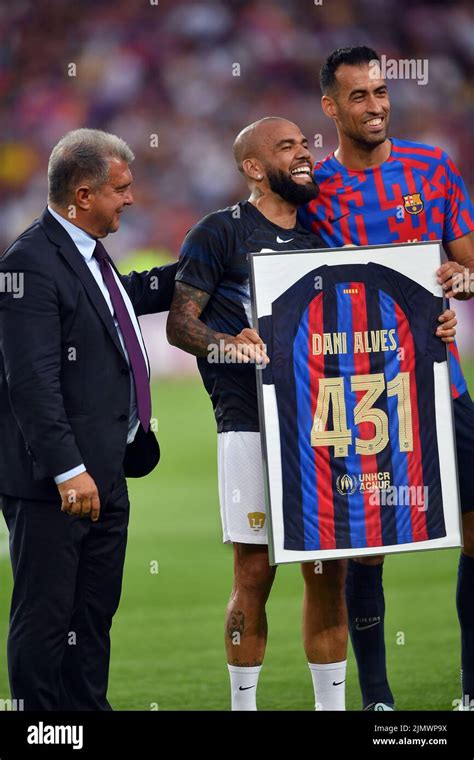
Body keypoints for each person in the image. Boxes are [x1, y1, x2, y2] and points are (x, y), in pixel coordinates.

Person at [167, 116, 456, 711]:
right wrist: (228, 345)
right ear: (252, 167)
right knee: (253, 572)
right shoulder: (219, 232)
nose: (305, 155)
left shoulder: (323, 243)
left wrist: (435, 323)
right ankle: (243, 707)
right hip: (246, 422)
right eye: (287, 147)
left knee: (326, 569)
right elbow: (179, 324)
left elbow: (369, 328)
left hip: (321, 425)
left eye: (305, 143)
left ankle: (331, 709)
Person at [299, 45, 474, 711]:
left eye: (379, 92)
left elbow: (469, 269)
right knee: (368, 546)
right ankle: (377, 699)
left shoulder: (432, 168)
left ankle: (471, 691)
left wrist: (457, 286)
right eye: (359, 96)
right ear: (331, 106)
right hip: (363, 396)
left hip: (438, 380)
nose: (374, 106)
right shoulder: (314, 190)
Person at [0, 128, 177, 710]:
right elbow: (31, 384)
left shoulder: (89, 258)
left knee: (93, 615)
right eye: (120, 189)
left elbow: (121, 299)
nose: (130, 198)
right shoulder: (28, 263)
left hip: (106, 473)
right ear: (82, 195)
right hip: (56, 484)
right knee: (47, 618)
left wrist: (208, 259)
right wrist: (67, 469)